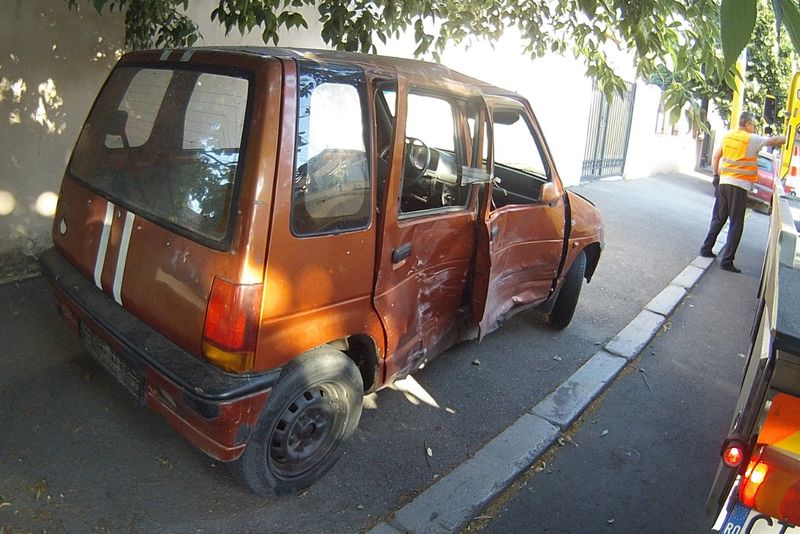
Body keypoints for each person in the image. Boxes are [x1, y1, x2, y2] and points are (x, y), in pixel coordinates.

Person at [699, 111, 786, 273]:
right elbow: (774, 140)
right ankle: (727, 260)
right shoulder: (750, 139)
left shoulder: (728, 135)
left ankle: (706, 248)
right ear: (747, 124)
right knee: (736, 223)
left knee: (719, 217)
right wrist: (789, 136)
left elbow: (716, 157)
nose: (754, 128)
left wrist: (716, 176)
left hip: (723, 182)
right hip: (738, 185)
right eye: (753, 125)